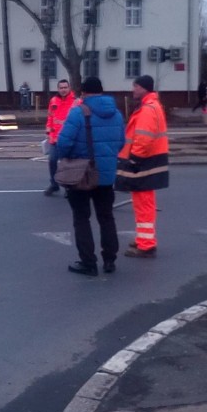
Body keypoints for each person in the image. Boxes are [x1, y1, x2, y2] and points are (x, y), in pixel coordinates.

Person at [56, 77, 125, 276]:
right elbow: (120, 142)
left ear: (84, 93)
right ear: (102, 91)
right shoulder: (117, 115)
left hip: (81, 175)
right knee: (106, 217)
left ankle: (88, 262)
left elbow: (63, 144)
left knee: (81, 218)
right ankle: (110, 260)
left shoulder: (78, 113)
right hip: (106, 176)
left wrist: (71, 157)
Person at [116, 75, 169, 258]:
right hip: (150, 161)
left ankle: (146, 244)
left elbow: (144, 138)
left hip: (144, 162)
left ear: (144, 88)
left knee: (143, 204)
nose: (133, 90)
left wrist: (134, 159)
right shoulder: (152, 106)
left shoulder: (147, 109)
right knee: (143, 203)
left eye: (136, 87)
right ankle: (143, 239)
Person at [45, 78, 76, 196]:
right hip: (54, 138)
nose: (63, 90)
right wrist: (48, 132)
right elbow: (50, 117)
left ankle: (68, 187)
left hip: (68, 139)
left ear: (69, 88)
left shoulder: (75, 102)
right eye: (61, 88)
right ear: (58, 89)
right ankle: (54, 184)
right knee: (52, 161)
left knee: (67, 164)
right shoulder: (53, 100)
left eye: (65, 87)